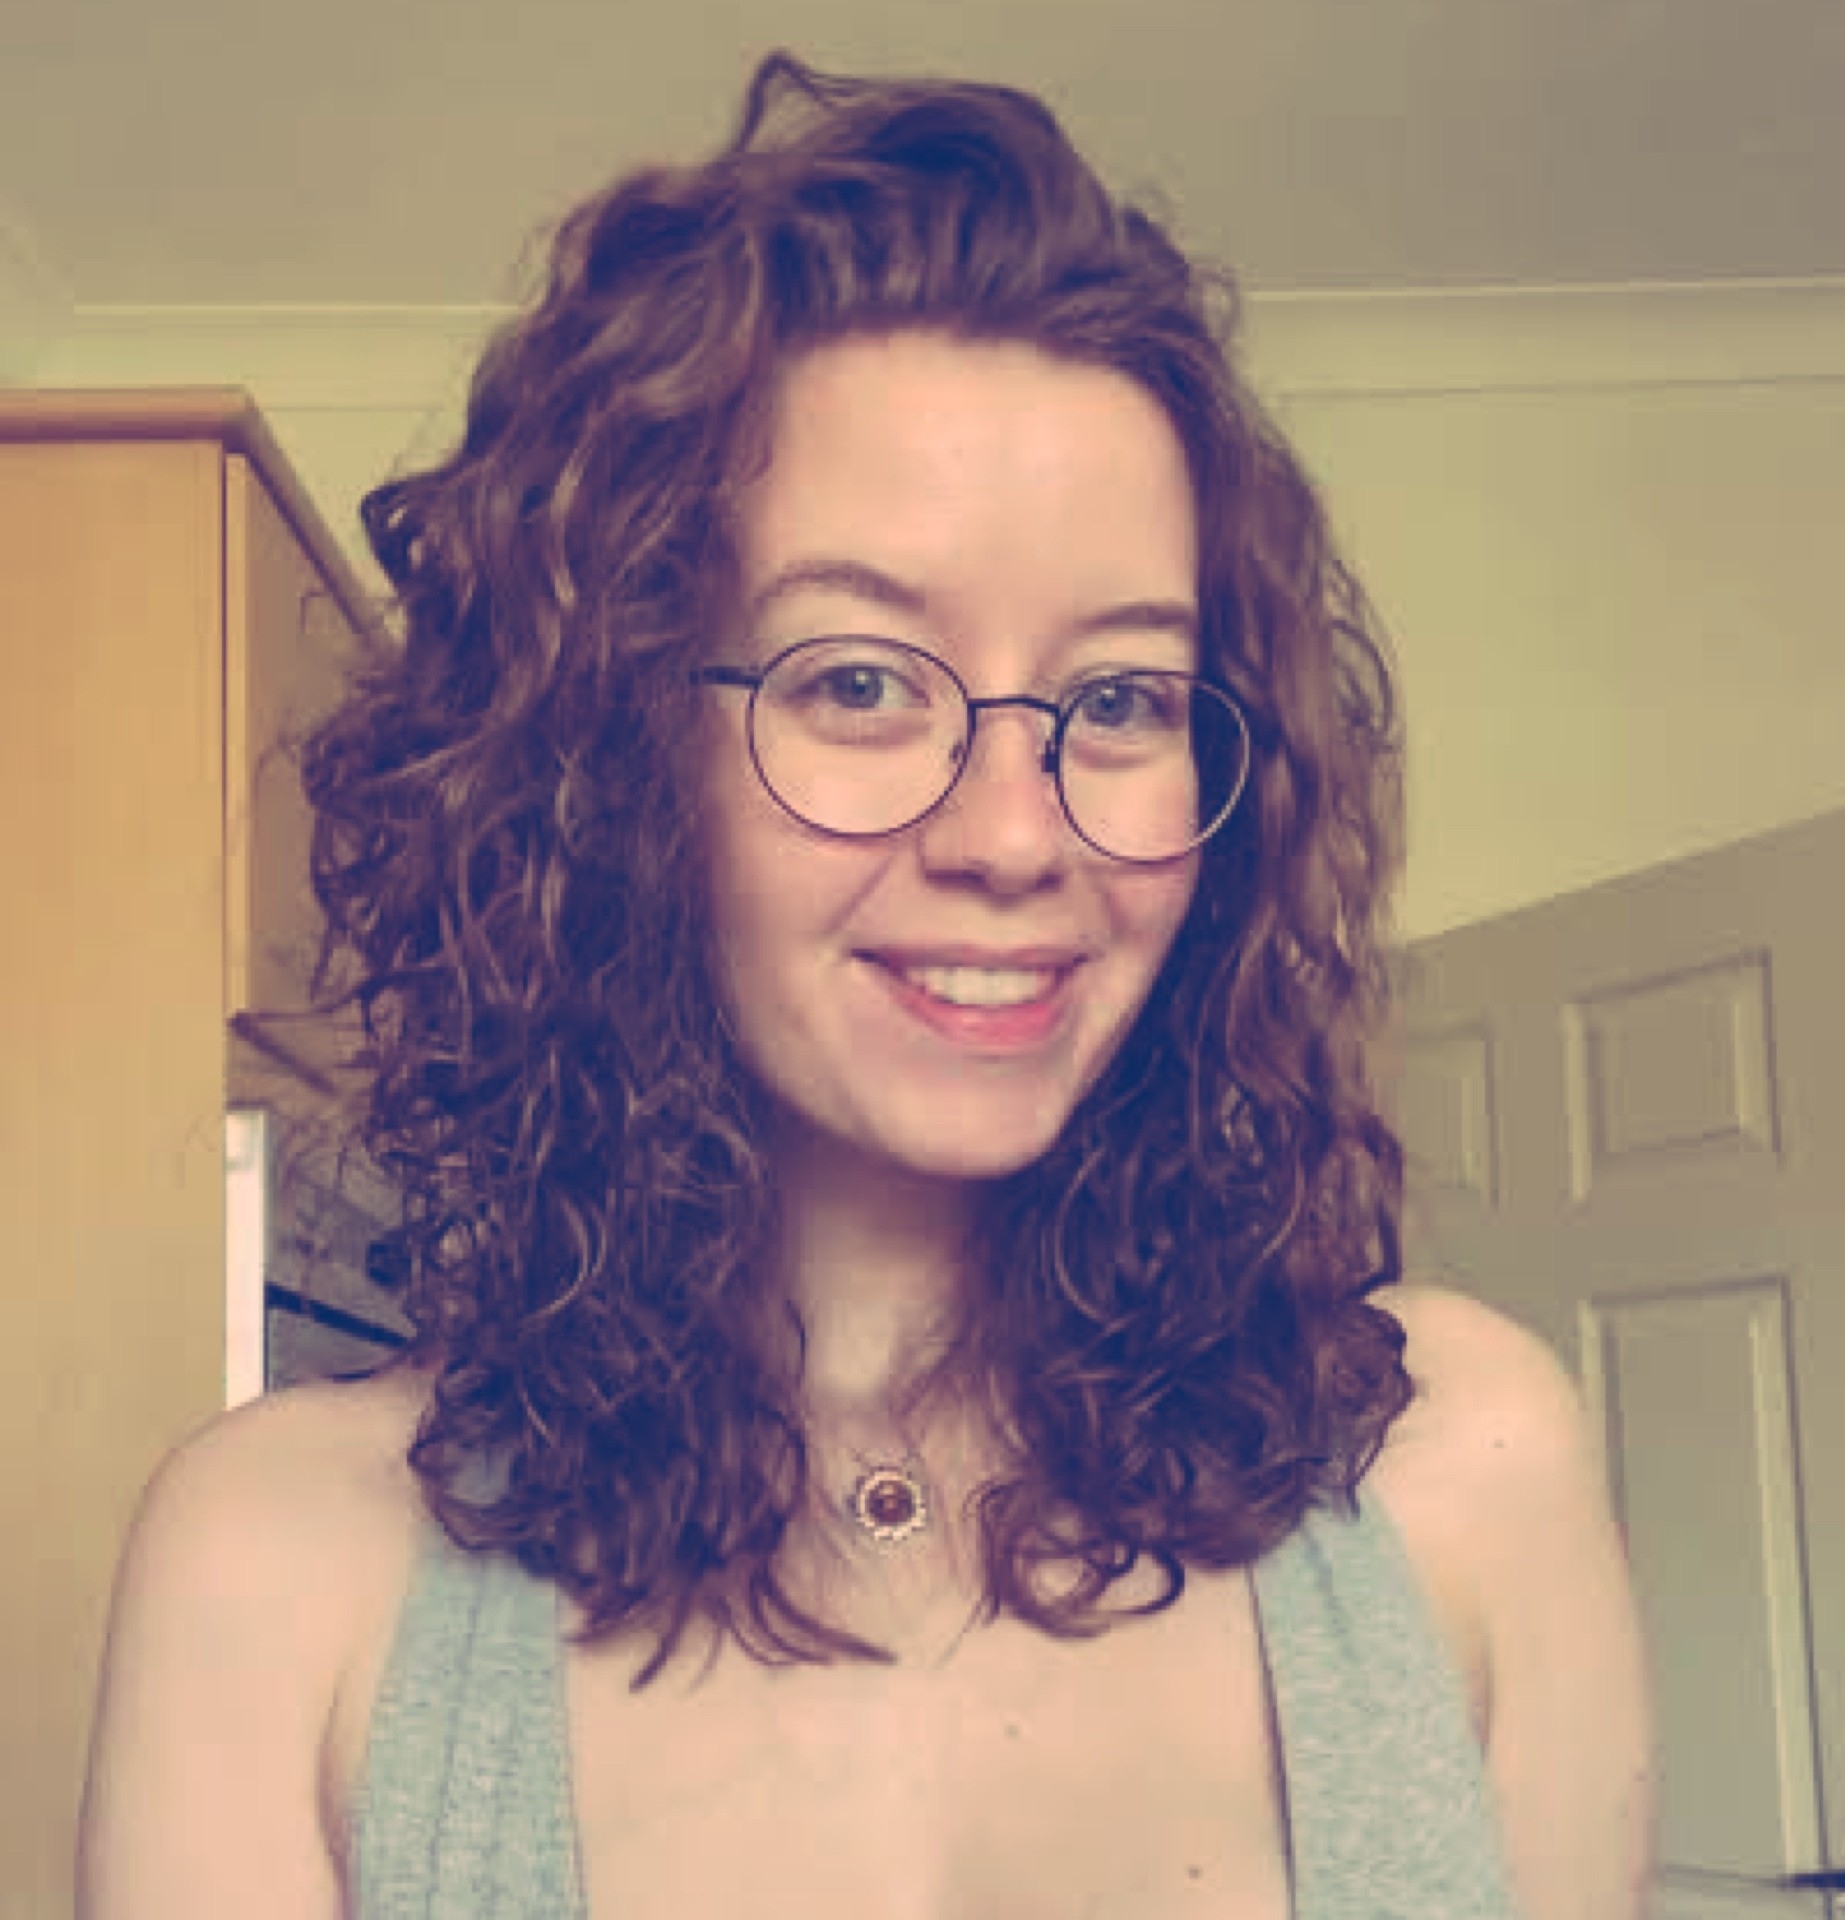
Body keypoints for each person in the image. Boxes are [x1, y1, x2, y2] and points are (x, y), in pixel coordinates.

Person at [77, 50, 1653, 1920]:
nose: (1017, 834)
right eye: (857, 681)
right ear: (615, 756)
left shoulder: (1474, 1475)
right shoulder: (275, 1577)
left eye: (1122, 699)